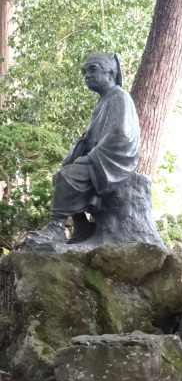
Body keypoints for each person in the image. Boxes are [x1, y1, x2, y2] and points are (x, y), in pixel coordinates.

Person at [31, 52, 140, 244]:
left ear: (111, 74)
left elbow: (120, 135)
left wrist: (90, 157)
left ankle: (56, 227)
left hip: (113, 159)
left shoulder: (119, 97)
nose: (87, 75)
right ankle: (81, 226)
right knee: (61, 173)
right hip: (99, 157)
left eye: (92, 69)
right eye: (84, 72)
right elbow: (91, 137)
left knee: (68, 176)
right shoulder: (103, 101)